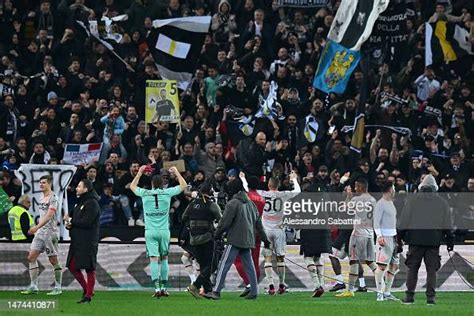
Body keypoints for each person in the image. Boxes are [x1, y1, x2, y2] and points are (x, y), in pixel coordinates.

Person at [203, 179, 270, 300]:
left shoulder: (233, 203)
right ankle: (254, 291)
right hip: (249, 240)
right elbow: (258, 223)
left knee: (224, 265)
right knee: (250, 267)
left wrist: (217, 234)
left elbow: (224, 223)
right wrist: (265, 239)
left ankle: (216, 291)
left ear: (233, 190)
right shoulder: (251, 204)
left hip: (234, 240)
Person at [131, 166, 187, 298]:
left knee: (154, 259)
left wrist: (139, 172)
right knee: (164, 258)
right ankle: (164, 287)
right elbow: (183, 185)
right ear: (162, 184)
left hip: (150, 231)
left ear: (151, 184)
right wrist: (177, 172)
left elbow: (132, 186)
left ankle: (156, 289)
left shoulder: (145, 193)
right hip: (164, 231)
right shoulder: (167, 193)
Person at [399, 174, 454, 305]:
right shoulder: (442, 202)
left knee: (412, 268)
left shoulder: (412, 200)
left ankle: (409, 296)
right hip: (433, 241)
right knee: (431, 270)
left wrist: (399, 238)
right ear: (435, 187)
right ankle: (431, 298)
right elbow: (448, 225)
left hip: (415, 241)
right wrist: (450, 242)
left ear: (421, 186)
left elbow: (404, 222)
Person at [258, 171, 300, 295]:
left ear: (269, 185)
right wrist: (294, 179)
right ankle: (281, 285)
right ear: (279, 185)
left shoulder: (262, 194)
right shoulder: (283, 194)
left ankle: (271, 286)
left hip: (266, 231)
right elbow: (298, 191)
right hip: (279, 230)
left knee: (268, 259)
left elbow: (247, 190)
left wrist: (243, 179)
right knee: (281, 259)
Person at [336, 178, 378, 298]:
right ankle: (383, 284)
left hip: (358, 233)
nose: (354, 189)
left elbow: (343, 209)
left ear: (361, 187)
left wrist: (348, 196)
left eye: (356, 186)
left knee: (354, 260)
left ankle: (350, 290)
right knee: (370, 262)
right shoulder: (373, 200)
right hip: (370, 233)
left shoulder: (356, 199)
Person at [21, 175, 63, 295]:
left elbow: (49, 215)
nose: (41, 185)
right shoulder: (41, 197)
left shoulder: (53, 198)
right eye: (40, 183)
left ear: (49, 184)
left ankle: (58, 287)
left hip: (50, 232)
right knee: (31, 257)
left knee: (53, 260)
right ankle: (34, 286)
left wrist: (36, 227)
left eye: (43, 183)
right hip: (40, 232)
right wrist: (38, 229)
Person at [64, 179, 101, 304]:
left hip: (87, 241)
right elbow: (73, 220)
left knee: (89, 268)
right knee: (72, 266)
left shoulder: (92, 203)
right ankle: (87, 290)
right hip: (76, 240)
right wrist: (68, 224)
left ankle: (88, 295)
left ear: (86, 189)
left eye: (79, 186)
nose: (76, 188)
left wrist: (71, 221)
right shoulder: (78, 203)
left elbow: (87, 222)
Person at [183, 182, 222, 297]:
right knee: (212, 265)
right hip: (207, 238)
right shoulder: (211, 205)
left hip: (193, 239)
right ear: (210, 192)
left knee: (203, 265)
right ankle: (195, 285)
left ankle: (208, 290)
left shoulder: (192, 204)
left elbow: (183, 217)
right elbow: (221, 219)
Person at [236, 173, 265, 297]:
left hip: (246, 231)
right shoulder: (262, 199)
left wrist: (242, 178)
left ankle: (249, 283)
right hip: (258, 231)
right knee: (255, 259)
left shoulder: (247, 196)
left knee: (237, 259)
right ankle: (254, 285)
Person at [373, 180, 401, 302]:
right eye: (394, 188)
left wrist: (398, 239)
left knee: (394, 266)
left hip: (394, 238)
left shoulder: (390, 203)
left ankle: (387, 293)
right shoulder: (381, 204)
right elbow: (376, 221)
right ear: (390, 189)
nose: (395, 190)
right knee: (381, 266)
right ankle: (379, 293)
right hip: (385, 238)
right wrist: (379, 235)